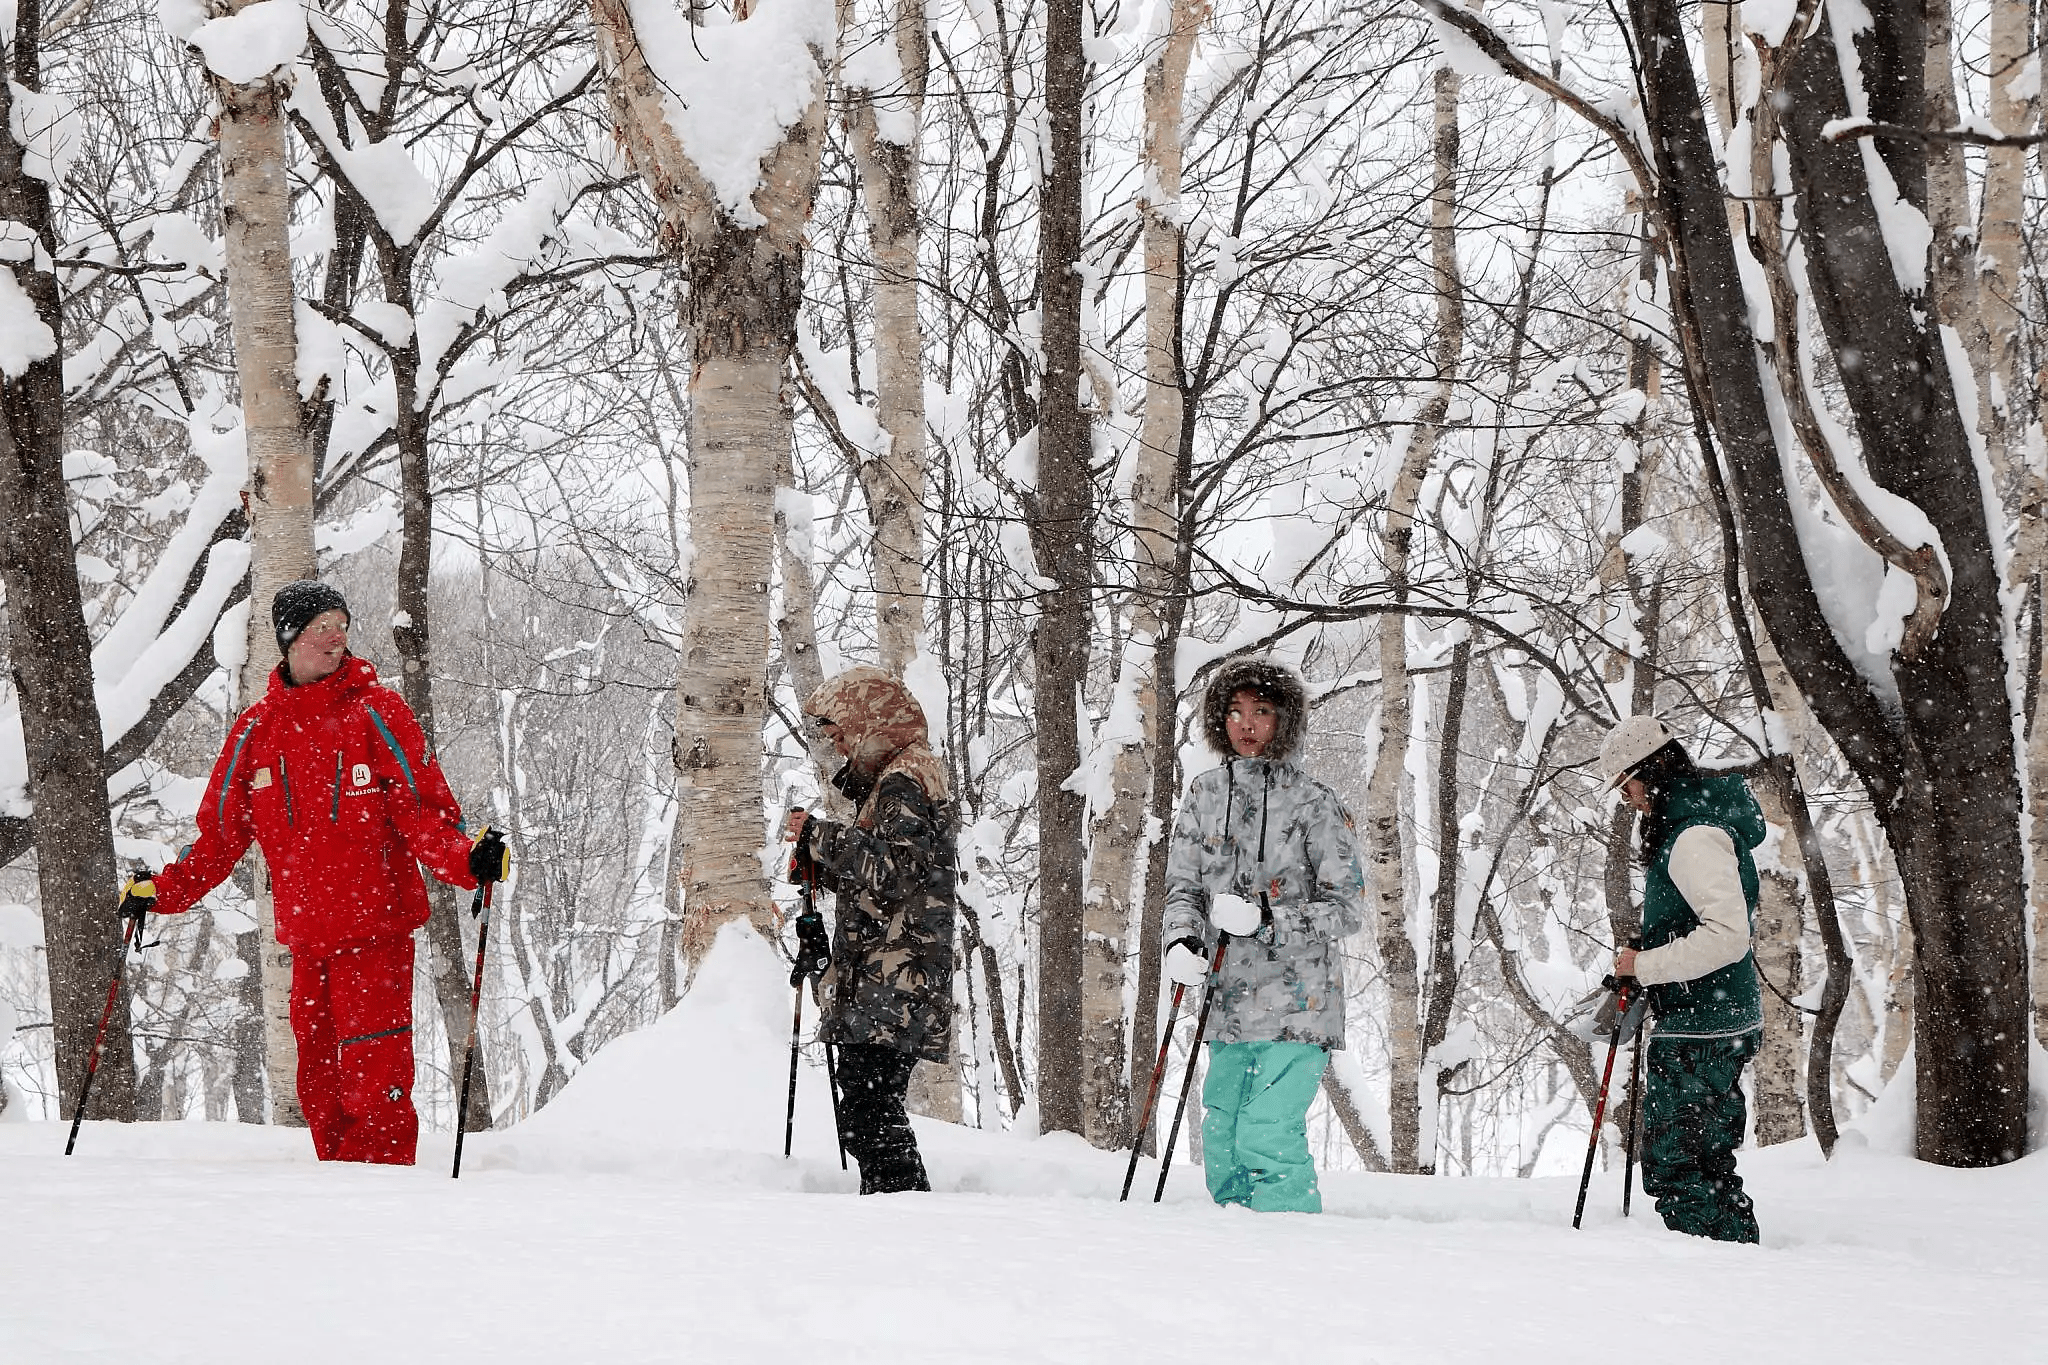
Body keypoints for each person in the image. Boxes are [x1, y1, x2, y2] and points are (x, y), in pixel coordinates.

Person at [119, 581, 506, 1165]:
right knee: (321, 1093)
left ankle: (387, 1213)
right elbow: (220, 840)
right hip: (307, 942)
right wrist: (162, 892)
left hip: (375, 938)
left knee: (376, 1089)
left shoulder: (379, 713)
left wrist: (467, 859)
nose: (337, 638)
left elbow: (422, 812)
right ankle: (335, 1215)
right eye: (322, 627)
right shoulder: (255, 732)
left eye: (341, 625)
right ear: (289, 640)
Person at [1160, 658, 1367, 1213]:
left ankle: (1289, 1251)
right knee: (1223, 1133)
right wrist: (1182, 941)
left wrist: (1269, 918)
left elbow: (1347, 907)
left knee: (1266, 1131)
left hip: (1299, 1001)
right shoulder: (1204, 793)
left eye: (1261, 712)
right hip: (1227, 1000)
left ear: (1284, 721)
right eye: (1234, 712)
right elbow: (1182, 885)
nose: (1246, 724)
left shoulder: (1313, 801)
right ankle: (1235, 1248)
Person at [784, 666, 955, 1195]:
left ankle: (903, 1211)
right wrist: (822, 867)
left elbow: (899, 871)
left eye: (840, 734)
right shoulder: (895, 779)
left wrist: (820, 836)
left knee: (870, 1109)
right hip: (884, 974)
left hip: (894, 979)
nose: (837, 747)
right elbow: (883, 878)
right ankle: (889, 1211)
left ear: (869, 721)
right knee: (866, 1109)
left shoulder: (904, 779)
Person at [1598, 714, 1763, 1244]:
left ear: (1652, 771)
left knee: (1679, 1167)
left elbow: (1727, 936)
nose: (1628, 801)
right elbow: (1701, 924)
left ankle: (1717, 1274)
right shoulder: (1691, 825)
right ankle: (1734, 1263)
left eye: (1627, 786)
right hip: (1708, 1018)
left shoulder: (1693, 835)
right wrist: (1649, 951)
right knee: (1705, 1163)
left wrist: (1644, 966)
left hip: (1701, 1026)